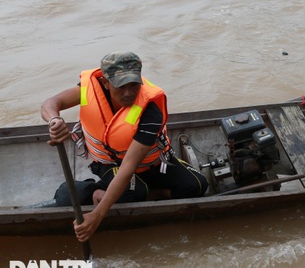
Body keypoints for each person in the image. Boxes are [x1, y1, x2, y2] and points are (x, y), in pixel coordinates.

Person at [42, 51, 208, 242]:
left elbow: (129, 167)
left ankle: (155, 192)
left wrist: (96, 217)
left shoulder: (151, 109)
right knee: (134, 191)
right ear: (105, 83)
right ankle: (92, 191)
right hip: (110, 165)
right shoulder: (89, 89)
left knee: (196, 186)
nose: (128, 93)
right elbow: (51, 103)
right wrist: (54, 120)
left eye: (133, 85)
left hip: (150, 164)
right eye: (121, 86)